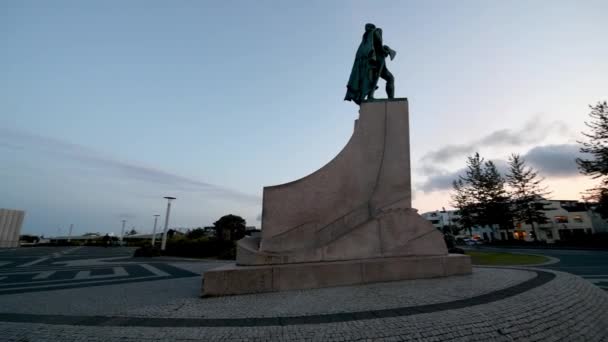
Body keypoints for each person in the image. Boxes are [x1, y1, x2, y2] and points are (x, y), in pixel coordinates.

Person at [345, 23, 396, 105]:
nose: (367, 28)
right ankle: (384, 98)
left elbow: (377, 45)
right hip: (375, 60)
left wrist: (386, 50)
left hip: (373, 61)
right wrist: (385, 51)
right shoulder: (375, 32)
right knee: (386, 78)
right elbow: (379, 45)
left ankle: (376, 97)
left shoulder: (366, 38)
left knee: (381, 78)